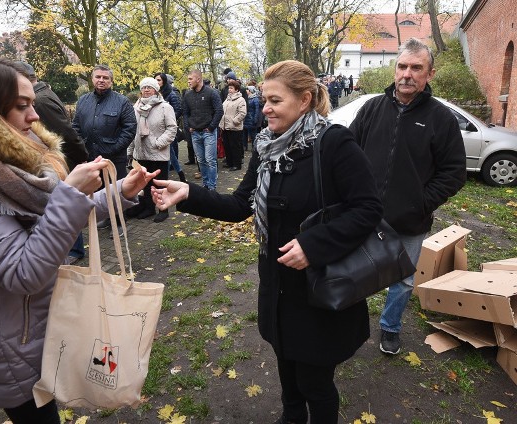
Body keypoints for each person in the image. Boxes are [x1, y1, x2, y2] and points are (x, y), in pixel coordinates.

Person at [0, 57, 158, 423]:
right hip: (8, 345)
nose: (35, 116)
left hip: (34, 328)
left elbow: (49, 217)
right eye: (22, 106)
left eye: (32, 104)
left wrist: (117, 192)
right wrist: (70, 194)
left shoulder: (3, 167)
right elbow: (25, 272)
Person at [152, 60, 382, 423]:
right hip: (278, 286)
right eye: (264, 98)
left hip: (319, 286)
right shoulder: (265, 146)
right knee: (287, 370)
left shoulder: (334, 143)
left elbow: (368, 209)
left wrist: (314, 245)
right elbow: (240, 204)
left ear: (304, 100)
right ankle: (291, 418)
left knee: (315, 382)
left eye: (275, 100)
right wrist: (189, 194)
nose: (266, 107)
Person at [349, 37, 466, 355]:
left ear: (429, 73)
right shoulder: (372, 108)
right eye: (402, 66)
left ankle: (390, 328)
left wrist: (422, 202)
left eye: (416, 68)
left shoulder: (440, 118)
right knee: (353, 271)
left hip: (410, 219)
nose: (407, 74)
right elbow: (349, 152)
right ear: (394, 69)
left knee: (401, 280)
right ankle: (346, 326)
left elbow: (454, 172)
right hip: (365, 214)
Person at [16, 61, 88, 265]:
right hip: (54, 159)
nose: (32, 115)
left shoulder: (42, 99)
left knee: (64, 197)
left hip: (57, 159)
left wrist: (81, 154)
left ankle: (74, 249)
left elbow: (65, 131)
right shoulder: (42, 93)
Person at [72, 64, 137, 234]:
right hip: (92, 157)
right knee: (100, 189)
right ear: (92, 79)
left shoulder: (122, 102)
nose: (101, 80)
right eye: (98, 77)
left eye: (105, 78)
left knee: (116, 190)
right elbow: (76, 127)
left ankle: (121, 223)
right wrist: (80, 149)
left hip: (114, 157)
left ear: (111, 81)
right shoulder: (83, 101)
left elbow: (129, 129)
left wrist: (114, 148)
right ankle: (108, 218)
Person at [126, 77, 177, 222]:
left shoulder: (164, 107)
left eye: (150, 87)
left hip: (158, 152)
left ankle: (163, 209)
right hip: (140, 152)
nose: (146, 90)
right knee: (144, 183)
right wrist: (130, 151)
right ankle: (148, 208)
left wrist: (158, 143)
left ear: (156, 89)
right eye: (144, 87)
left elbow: (172, 128)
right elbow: (133, 130)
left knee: (159, 183)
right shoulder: (136, 108)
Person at [183, 69, 223, 191]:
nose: (188, 82)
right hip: (195, 132)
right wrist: (188, 126)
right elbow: (185, 112)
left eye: (190, 79)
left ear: (198, 79)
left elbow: (219, 110)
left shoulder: (212, 93)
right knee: (201, 160)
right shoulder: (187, 95)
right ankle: (205, 185)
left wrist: (211, 127)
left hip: (208, 132)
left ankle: (211, 187)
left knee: (210, 160)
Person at [154, 72, 185, 183]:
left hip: (168, 128)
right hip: (156, 129)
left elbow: (178, 109)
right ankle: (179, 172)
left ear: (164, 81)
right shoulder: (154, 93)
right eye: (155, 80)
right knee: (168, 152)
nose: (157, 82)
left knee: (169, 152)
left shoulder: (171, 94)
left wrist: (168, 120)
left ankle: (167, 176)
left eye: (159, 80)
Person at [219, 79, 247, 170]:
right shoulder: (227, 99)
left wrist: (235, 121)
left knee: (235, 146)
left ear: (237, 89)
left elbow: (242, 113)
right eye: (229, 88)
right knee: (227, 146)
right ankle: (230, 162)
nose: (229, 90)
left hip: (235, 127)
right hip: (225, 127)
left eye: (231, 88)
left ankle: (237, 164)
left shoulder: (240, 100)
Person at [243, 85, 261, 151]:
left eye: (247, 89)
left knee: (253, 135)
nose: (246, 91)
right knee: (244, 134)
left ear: (250, 91)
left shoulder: (255, 99)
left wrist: (255, 119)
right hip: (246, 119)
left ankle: (254, 147)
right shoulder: (246, 98)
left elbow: (257, 110)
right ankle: (244, 146)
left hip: (252, 119)